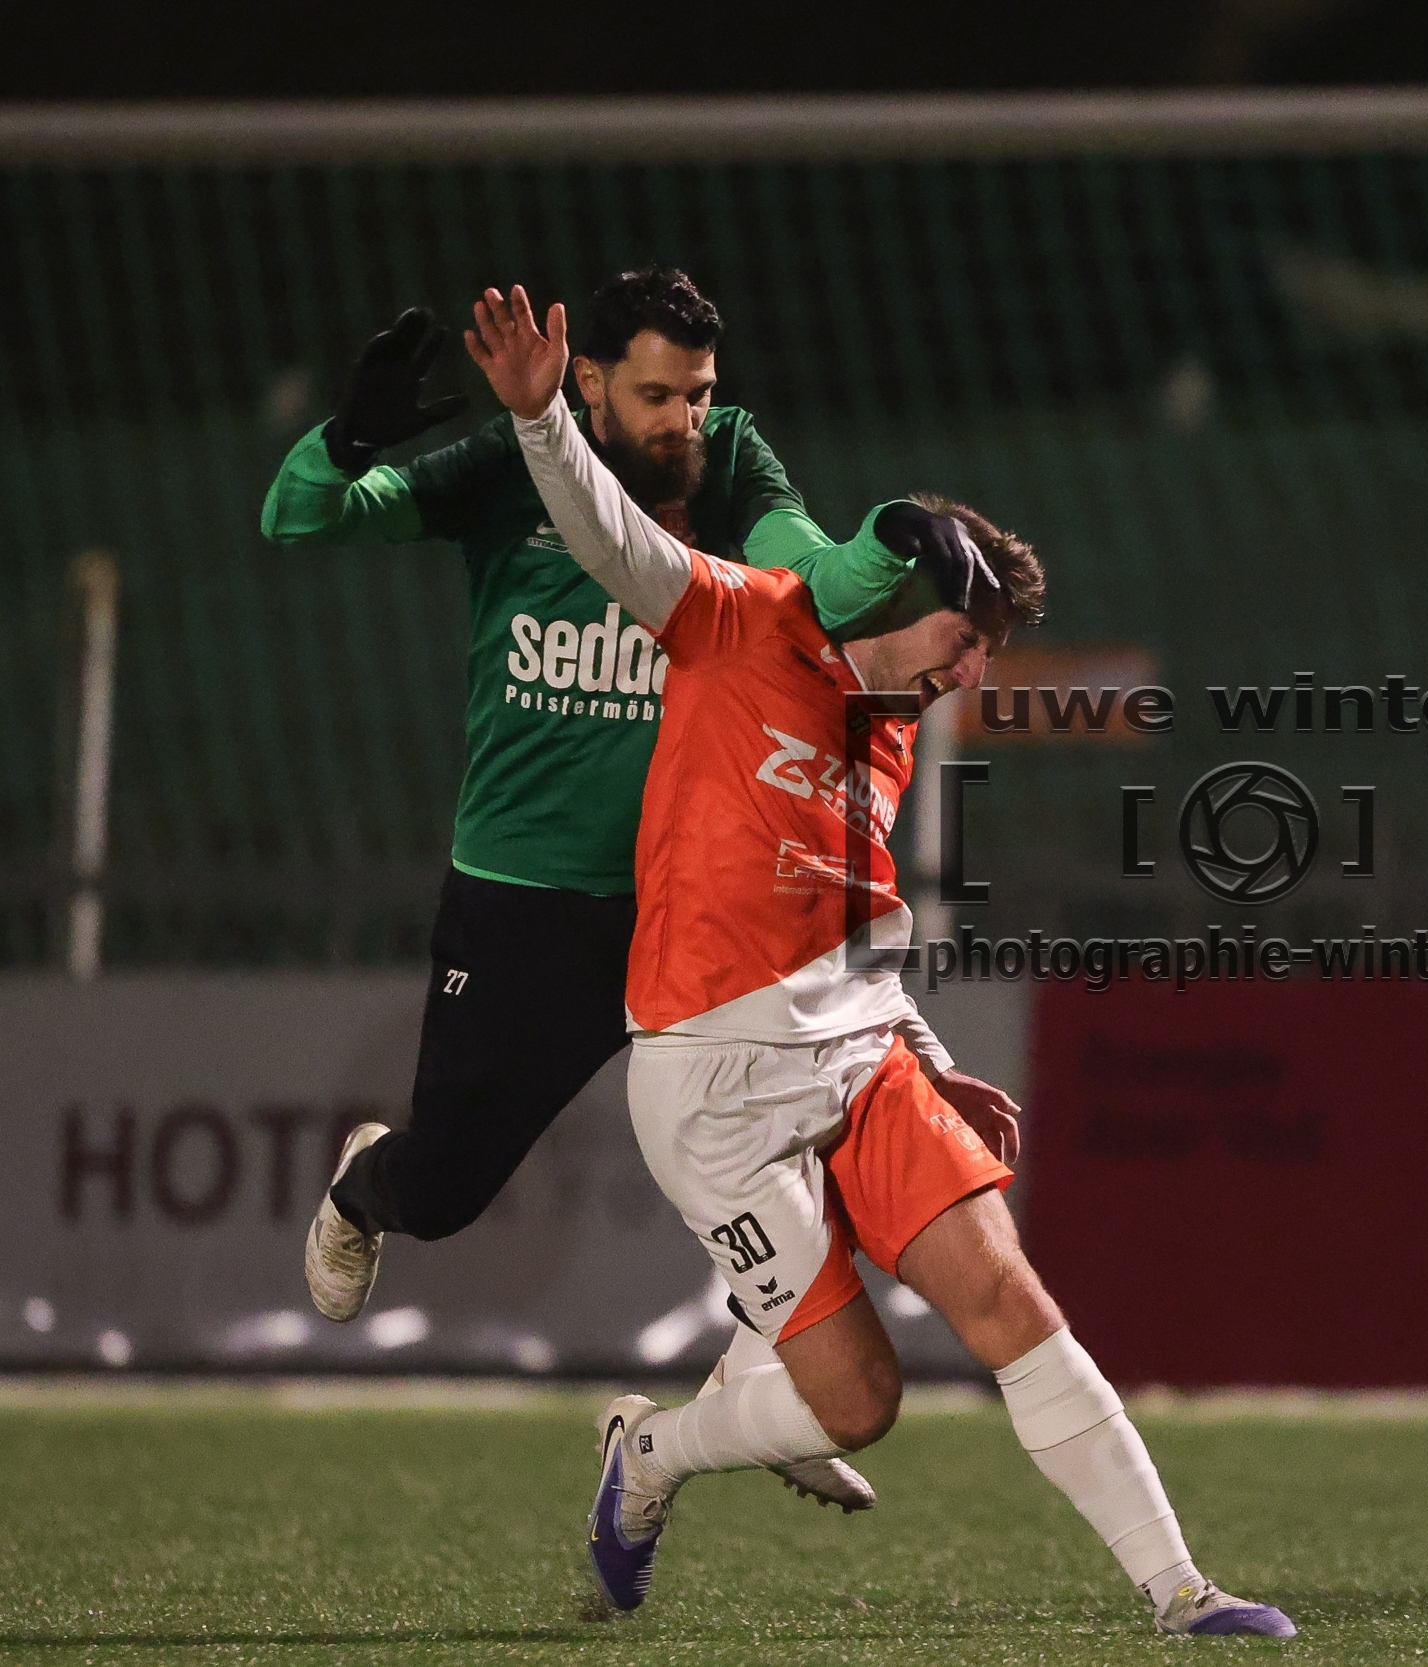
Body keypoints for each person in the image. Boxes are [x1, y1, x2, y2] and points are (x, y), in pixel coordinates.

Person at [467, 284, 1295, 1639]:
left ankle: (1181, 1590)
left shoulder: (891, 730)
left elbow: (854, 932)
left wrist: (926, 1057)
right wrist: (539, 420)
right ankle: (652, 1453)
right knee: (860, 1402)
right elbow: (609, 534)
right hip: (709, 1087)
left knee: (1008, 1294)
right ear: (902, 602)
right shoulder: (737, 622)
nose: (970, 672)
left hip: (862, 1059)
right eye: (965, 640)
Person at [262, 267, 887, 1511]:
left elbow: (807, 570)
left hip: (692, 897)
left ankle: (771, 1383)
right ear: (588, 382)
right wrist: (348, 439)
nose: (683, 420)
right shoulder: (510, 462)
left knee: (820, 1135)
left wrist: (885, 565)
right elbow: (299, 519)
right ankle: (367, 1184)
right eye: (658, 395)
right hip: (528, 899)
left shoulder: (727, 460)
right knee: (443, 1192)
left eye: (698, 393)